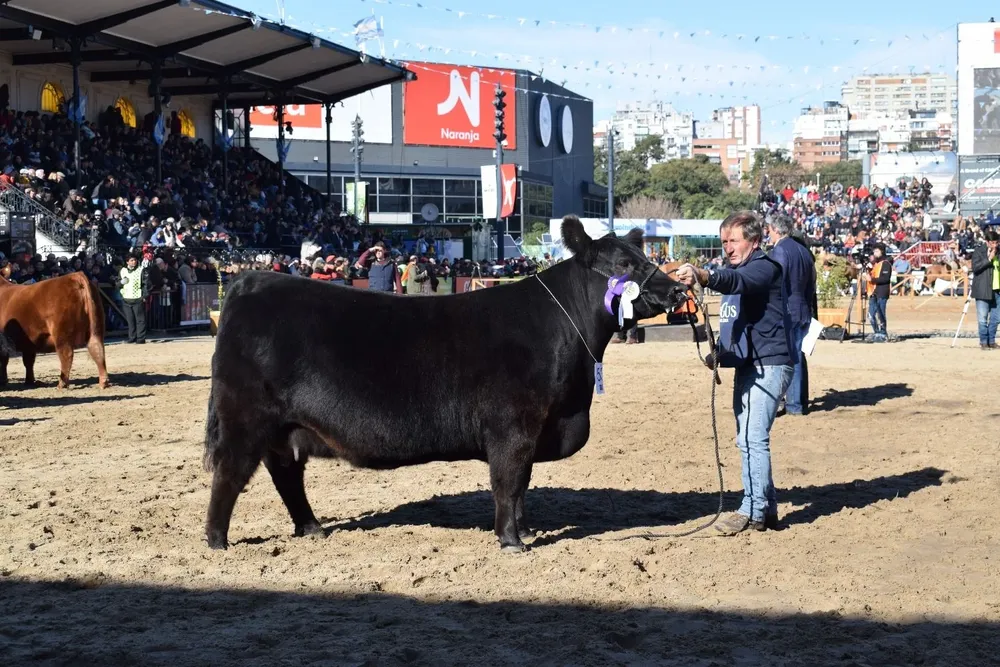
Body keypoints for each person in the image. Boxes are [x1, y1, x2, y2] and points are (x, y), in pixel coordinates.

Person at [676, 210, 793, 535]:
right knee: (747, 439)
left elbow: (738, 281)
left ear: (754, 241)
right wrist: (719, 355)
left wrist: (704, 275)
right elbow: (737, 328)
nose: (727, 247)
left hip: (768, 364)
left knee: (753, 439)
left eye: (733, 240)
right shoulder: (737, 272)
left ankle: (752, 510)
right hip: (748, 365)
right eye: (724, 241)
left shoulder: (763, 269)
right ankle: (765, 509)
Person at [766, 215, 817, 416]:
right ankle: (799, 401)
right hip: (803, 307)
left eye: (769, 230)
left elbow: (774, 283)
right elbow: (812, 283)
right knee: (798, 355)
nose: (768, 234)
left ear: (776, 230)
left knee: (788, 357)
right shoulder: (804, 252)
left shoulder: (779, 251)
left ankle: (794, 404)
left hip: (787, 310)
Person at [971, 229, 1000, 350]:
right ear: (987, 242)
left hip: (997, 290)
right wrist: (989, 259)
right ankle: (984, 342)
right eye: (992, 243)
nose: (995, 245)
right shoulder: (979, 252)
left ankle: (992, 341)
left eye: (997, 242)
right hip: (983, 290)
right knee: (982, 318)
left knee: (996, 318)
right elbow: (976, 268)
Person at [118, 253, 149, 345]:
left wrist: (144, 296)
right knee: (130, 320)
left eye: (135, 260)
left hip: (137, 298)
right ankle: (132, 337)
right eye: (131, 260)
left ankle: (140, 338)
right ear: (127, 262)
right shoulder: (122, 271)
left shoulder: (141, 270)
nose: (134, 262)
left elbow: (146, 284)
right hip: (126, 298)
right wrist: (120, 282)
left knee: (140, 320)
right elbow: (117, 284)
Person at [865, 244, 892, 341]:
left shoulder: (886, 263)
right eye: (874, 251)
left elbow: (885, 278)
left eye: (877, 251)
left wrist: (872, 279)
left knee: (881, 314)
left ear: (882, 252)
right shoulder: (874, 265)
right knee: (871, 314)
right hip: (873, 293)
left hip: (882, 292)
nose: (875, 253)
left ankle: (883, 333)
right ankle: (876, 332)